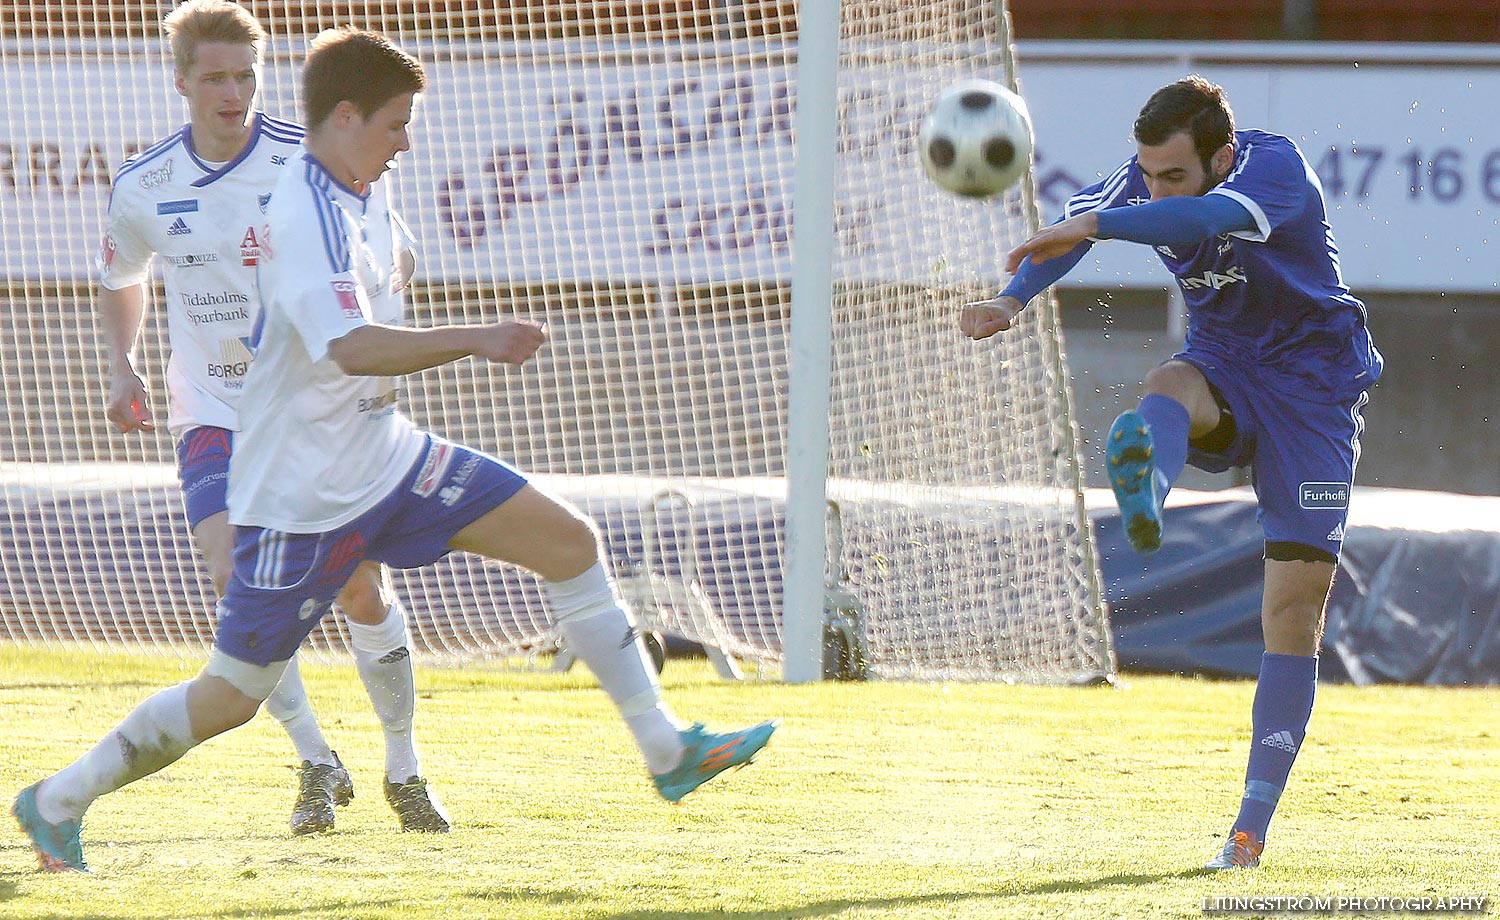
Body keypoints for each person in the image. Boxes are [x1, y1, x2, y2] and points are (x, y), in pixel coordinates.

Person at [13, 26, 776, 874]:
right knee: (232, 694)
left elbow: (381, 281)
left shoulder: (361, 183)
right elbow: (351, 347)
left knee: (571, 542)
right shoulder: (298, 209)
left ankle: (664, 751)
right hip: (300, 487)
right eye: (397, 124)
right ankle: (58, 800)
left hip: (383, 454)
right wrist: (478, 337)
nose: (408, 142)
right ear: (346, 118)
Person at [960, 76, 1381, 870]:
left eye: (1172, 174)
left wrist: (1106, 219)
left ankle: (1249, 830)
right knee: (1168, 385)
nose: (1155, 187)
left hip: (1315, 393)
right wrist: (1014, 299)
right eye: (1146, 172)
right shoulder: (1150, 180)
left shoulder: (1273, 168)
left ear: (1221, 155)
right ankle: (1145, 493)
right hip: (1225, 363)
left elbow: (1200, 217)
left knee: (1293, 612)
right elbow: (1073, 238)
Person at [90, 0, 446, 835]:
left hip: (316, 409)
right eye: (214, 76)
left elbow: (391, 248)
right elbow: (121, 277)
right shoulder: (145, 185)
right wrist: (121, 364)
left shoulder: (308, 159)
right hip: (214, 407)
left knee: (358, 586)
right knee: (234, 575)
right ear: (181, 81)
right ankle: (317, 760)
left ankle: (405, 766)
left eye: (245, 75)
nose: (232, 91)